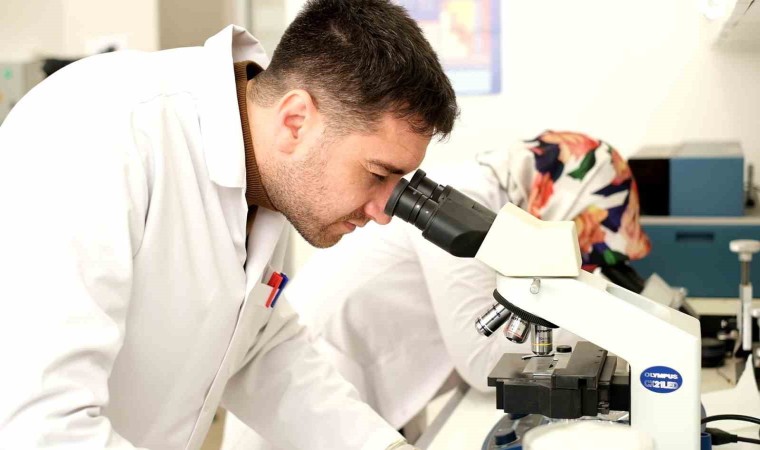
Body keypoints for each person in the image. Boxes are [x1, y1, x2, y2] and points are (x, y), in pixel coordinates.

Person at [0, 0, 458, 449]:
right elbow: (40, 426)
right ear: (296, 120)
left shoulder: (267, 176)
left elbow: (258, 348)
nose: (383, 211)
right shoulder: (100, 133)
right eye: (377, 175)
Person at [221, 131, 653, 449]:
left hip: (356, 389)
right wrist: (619, 331)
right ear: (570, 199)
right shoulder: (465, 203)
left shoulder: (498, 200)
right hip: (304, 385)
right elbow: (482, 359)